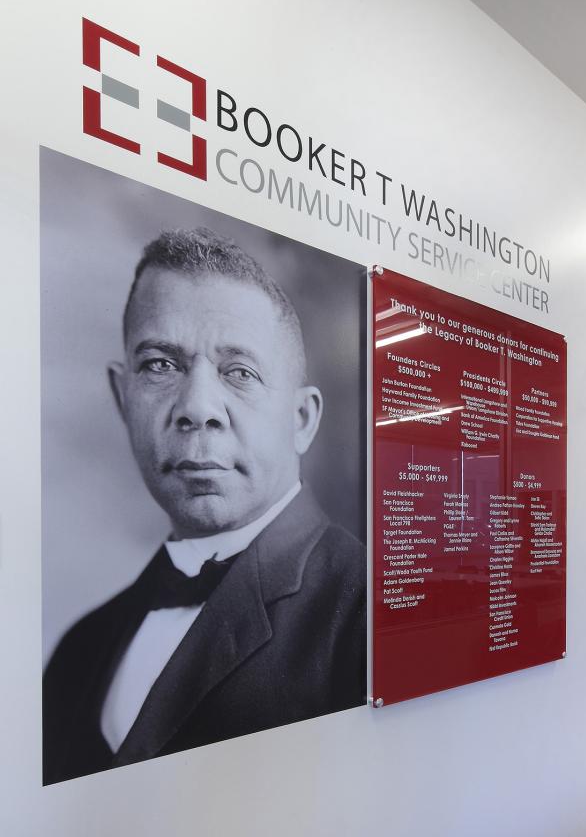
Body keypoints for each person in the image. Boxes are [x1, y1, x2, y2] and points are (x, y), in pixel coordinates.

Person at [43, 228, 366, 784]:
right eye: (160, 365)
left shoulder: (369, 613)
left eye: (239, 372)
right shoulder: (80, 647)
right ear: (123, 398)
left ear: (302, 419)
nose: (197, 407)